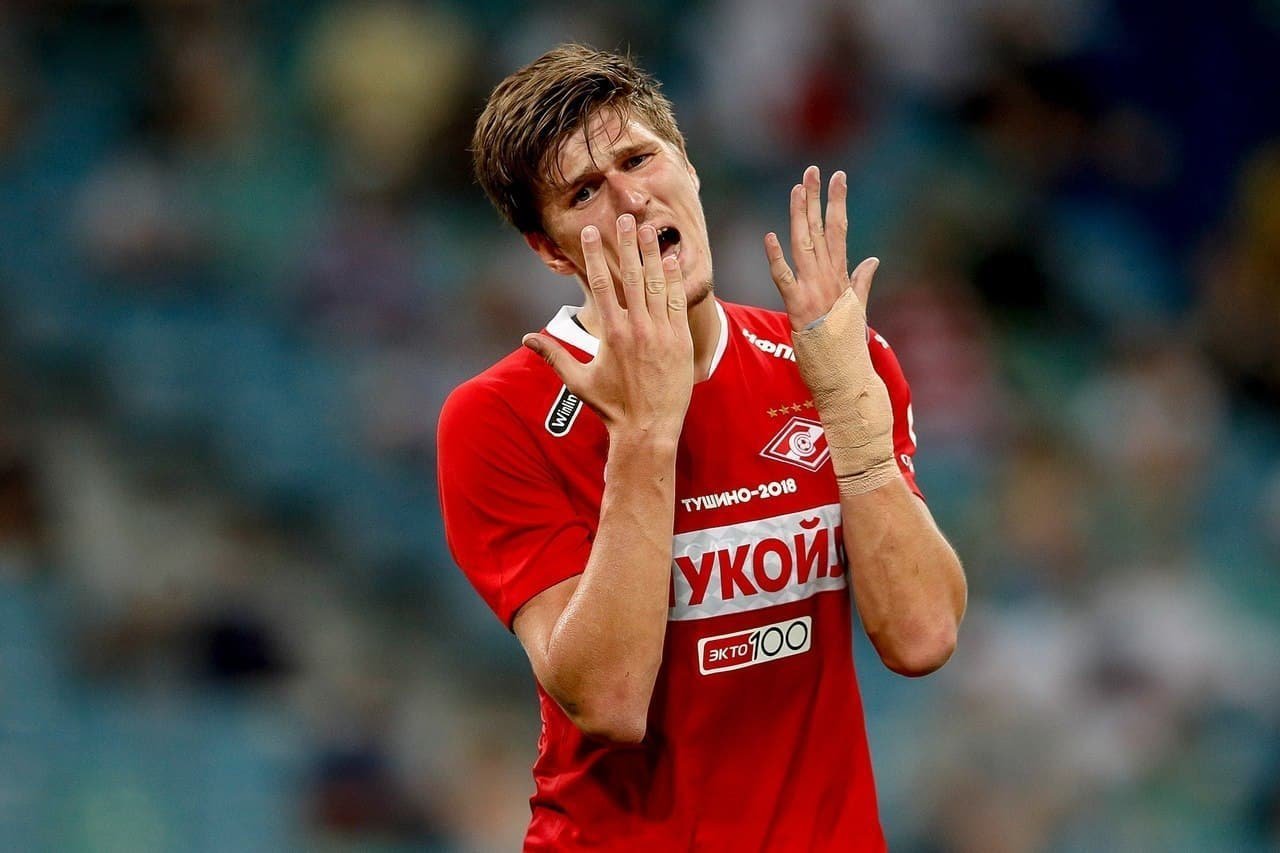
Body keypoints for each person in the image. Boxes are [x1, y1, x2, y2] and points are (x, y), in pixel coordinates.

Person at [436, 44, 967, 851]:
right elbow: (609, 700)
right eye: (585, 192)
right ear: (550, 250)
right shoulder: (497, 418)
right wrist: (644, 434)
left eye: (638, 159)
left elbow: (924, 636)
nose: (631, 200)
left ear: (687, 165)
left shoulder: (832, 363)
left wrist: (852, 414)